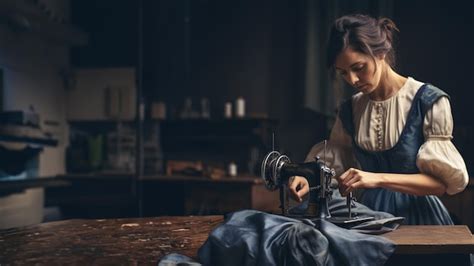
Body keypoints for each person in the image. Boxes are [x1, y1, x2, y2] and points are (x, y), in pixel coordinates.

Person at [289, 14, 469, 225]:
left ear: (382, 52)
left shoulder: (428, 101)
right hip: (368, 216)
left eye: (358, 68)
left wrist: (377, 178)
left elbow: (439, 184)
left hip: (420, 217)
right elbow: (331, 164)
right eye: (343, 73)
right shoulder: (350, 110)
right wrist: (307, 177)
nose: (352, 80)